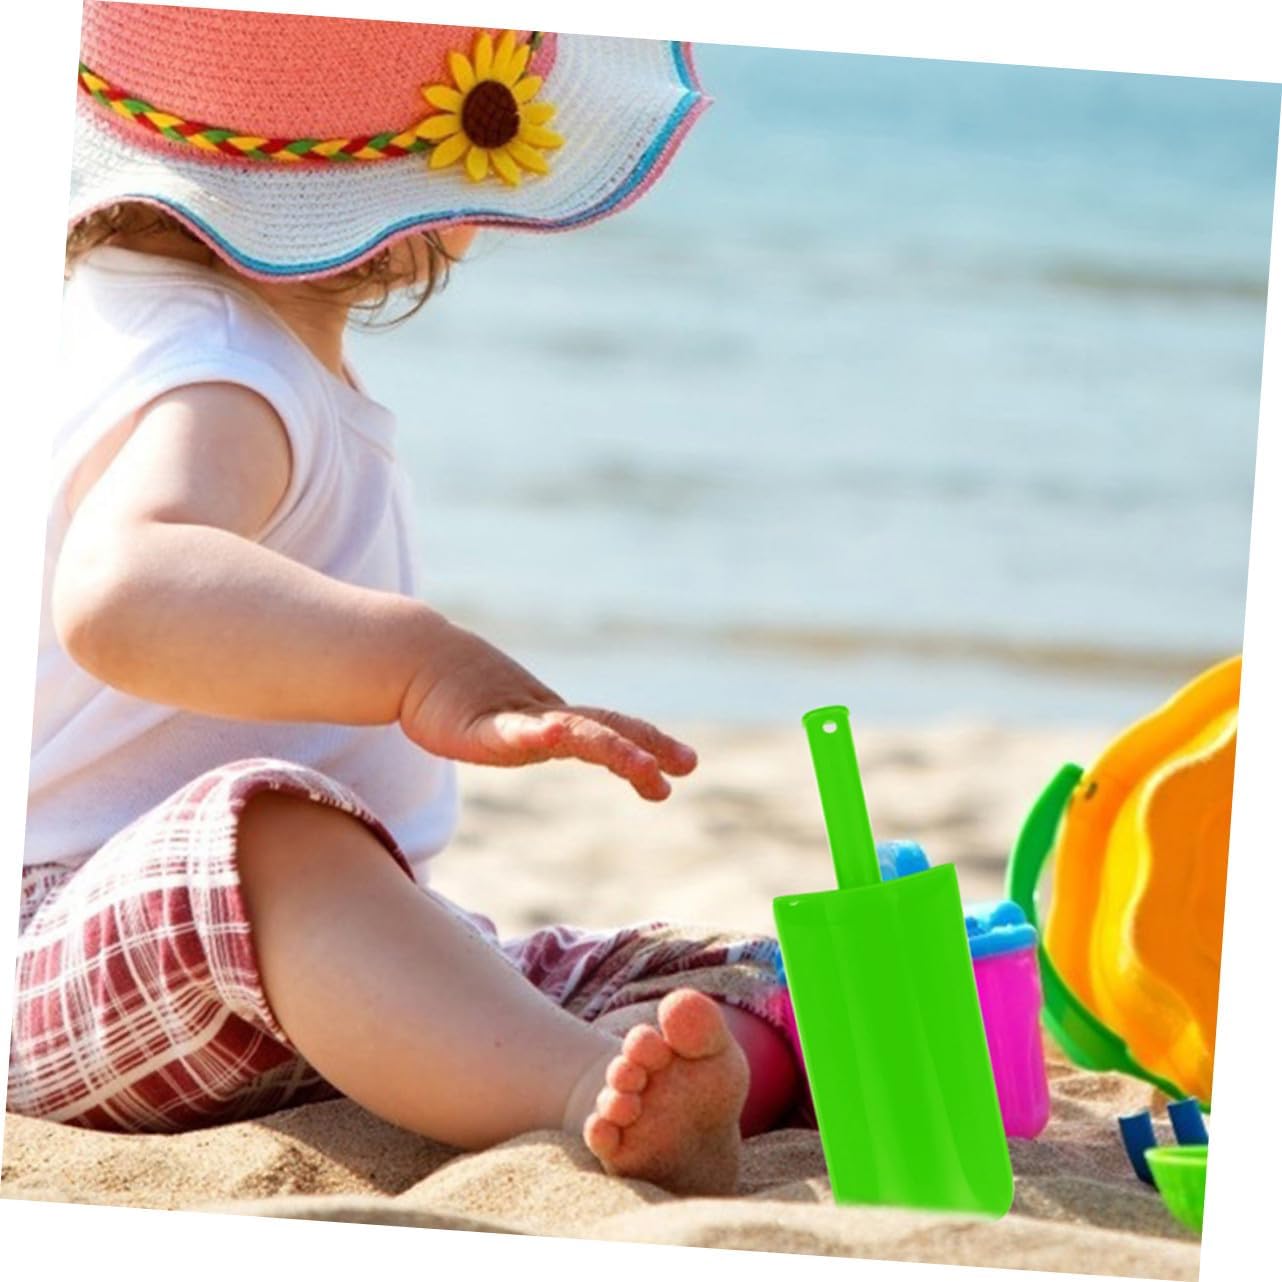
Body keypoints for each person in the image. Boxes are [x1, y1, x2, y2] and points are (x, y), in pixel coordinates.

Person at [10, 4, 802, 1197]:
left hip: (318, 966)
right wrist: (418, 660)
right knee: (272, 836)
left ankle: (686, 1066)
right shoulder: (221, 375)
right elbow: (119, 591)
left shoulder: (127, 326)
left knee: (731, 972)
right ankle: (580, 1087)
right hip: (80, 937)